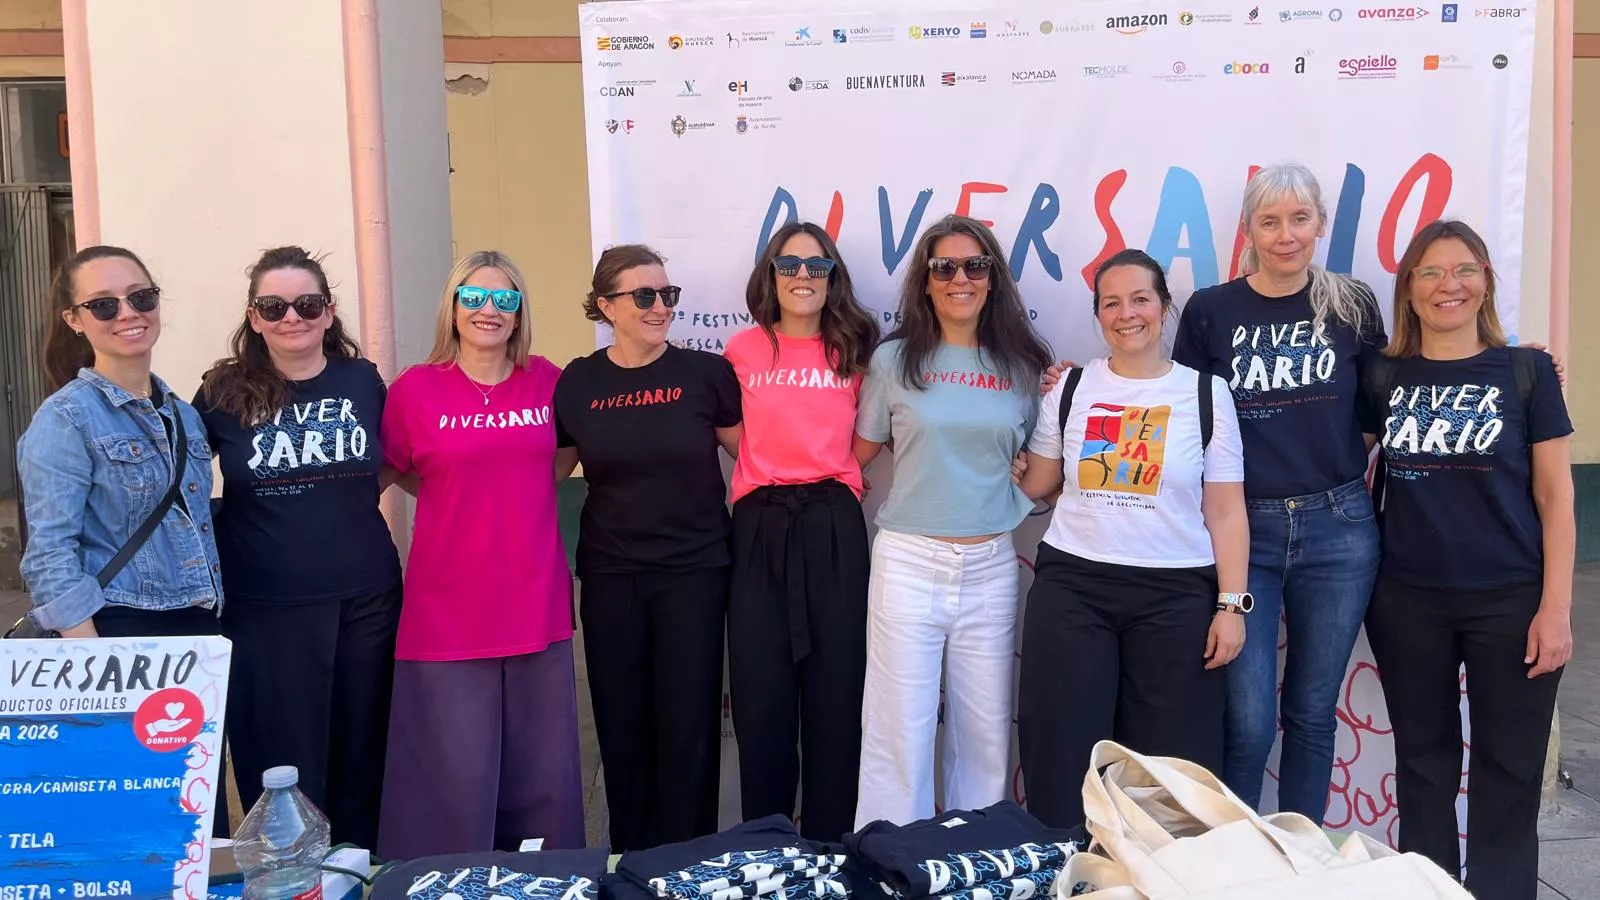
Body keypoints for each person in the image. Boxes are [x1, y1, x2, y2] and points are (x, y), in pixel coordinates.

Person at [1168, 163, 1388, 819]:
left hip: (1339, 528)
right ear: (1248, 230)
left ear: (1320, 224)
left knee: (1313, 710)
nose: (1286, 235)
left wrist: (1514, 363)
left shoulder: (1352, 304)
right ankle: (1238, 855)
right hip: (1245, 532)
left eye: (1299, 219)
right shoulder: (1212, 310)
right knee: (1249, 718)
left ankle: (1300, 854)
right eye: (1270, 222)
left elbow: (1379, 408)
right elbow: (1181, 410)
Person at [1361, 220, 1572, 900]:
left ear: (1485, 282)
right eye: (1430, 271)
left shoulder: (1527, 373)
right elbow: (1329, 457)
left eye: (1464, 270)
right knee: (1423, 761)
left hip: (1511, 600)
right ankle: (1431, 890)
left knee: (1510, 768)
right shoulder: (1382, 374)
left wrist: (1556, 609)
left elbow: (1556, 497)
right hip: (1407, 600)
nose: (1447, 285)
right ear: (1409, 289)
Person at [1015, 249, 1249, 831]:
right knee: (1062, 754)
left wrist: (1231, 606)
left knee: (1173, 772)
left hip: (1177, 596)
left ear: (1164, 307)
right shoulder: (1071, 388)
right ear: (1098, 315)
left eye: (1141, 299)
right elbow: (1040, 483)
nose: (1127, 314)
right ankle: (1068, 870)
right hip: (1074, 588)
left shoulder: (1206, 394)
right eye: (1111, 303)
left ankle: (1161, 874)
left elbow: (1226, 511)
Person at [376, 251, 583, 856]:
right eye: (473, 297)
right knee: (451, 779)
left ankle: (542, 883)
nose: (488, 310)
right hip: (447, 607)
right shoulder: (414, 390)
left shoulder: (548, 382)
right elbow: (393, 469)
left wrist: (513, 488)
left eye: (504, 299)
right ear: (453, 308)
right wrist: (453, 490)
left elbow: (564, 455)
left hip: (534, 599)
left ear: (519, 313)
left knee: (542, 778)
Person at [193, 246, 401, 849]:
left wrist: (335, 499)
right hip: (267, 607)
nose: (292, 317)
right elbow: (178, 477)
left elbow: (389, 459)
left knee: (363, 751)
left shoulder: (362, 380)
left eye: (307, 304)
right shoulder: (223, 390)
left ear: (329, 312)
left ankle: (356, 873)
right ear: (254, 317)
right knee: (281, 761)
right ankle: (290, 876)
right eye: (274, 306)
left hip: (367, 599)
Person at [852, 214, 1052, 828]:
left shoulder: (1024, 366)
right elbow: (855, 457)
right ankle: (892, 863)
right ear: (925, 280)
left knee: (985, 734)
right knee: (898, 730)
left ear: (993, 278)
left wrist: (1029, 468)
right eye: (944, 267)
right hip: (908, 562)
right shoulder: (893, 361)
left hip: (990, 566)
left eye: (974, 265)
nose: (959, 278)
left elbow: (1043, 467)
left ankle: (973, 861)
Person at [553, 244, 741, 852]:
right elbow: (545, 474)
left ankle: (689, 862)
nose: (661, 306)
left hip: (694, 573)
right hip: (612, 576)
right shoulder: (578, 382)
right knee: (622, 725)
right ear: (606, 305)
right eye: (644, 295)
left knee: (689, 726)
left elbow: (758, 459)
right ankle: (631, 862)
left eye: (668, 294)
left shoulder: (706, 375)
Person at [724, 222, 880, 841]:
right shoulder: (742, 350)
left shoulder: (857, 350)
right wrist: (776, 469)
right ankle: (767, 849)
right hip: (760, 527)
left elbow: (870, 436)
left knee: (835, 696)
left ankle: (830, 848)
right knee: (761, 698)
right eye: (790, 265)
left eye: (817, 266)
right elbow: (733, 436)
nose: (803, 277)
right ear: (772, 275)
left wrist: (825, 473)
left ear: (833, 278)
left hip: (832, 525)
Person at [19, 245, 222, 641]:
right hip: (115, 631)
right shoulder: (65, 417)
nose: (128, 312)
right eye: (103, 305)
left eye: (140, 297)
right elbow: (49, 553)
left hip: (199, 626)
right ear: (74, 319)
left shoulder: (185, 416)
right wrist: (89, 654)